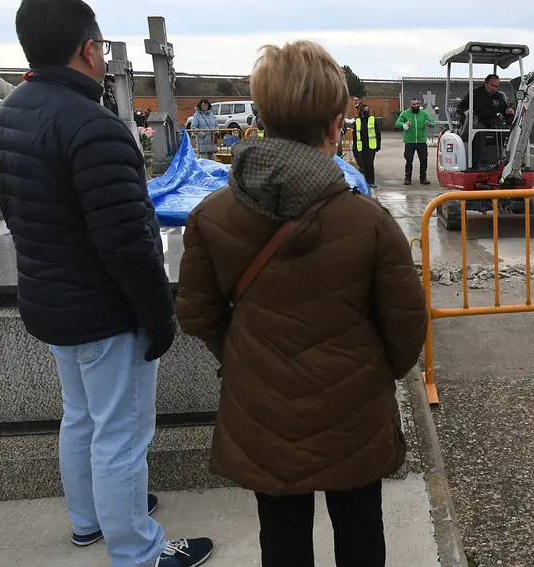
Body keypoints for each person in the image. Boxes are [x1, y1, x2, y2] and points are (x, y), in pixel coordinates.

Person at [174, 40, 428, 567]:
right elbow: (406, 330)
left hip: (262, 411)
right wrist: (369, 371)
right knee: (361, 530)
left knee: (281, 537)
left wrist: (245, 357)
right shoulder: (371, 223)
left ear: (262, 117)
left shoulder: (211, 216)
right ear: (337, 125)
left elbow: (196, 312)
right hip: (354, 414)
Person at [0, 1, 214, 566]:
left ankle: (92, 519)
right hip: (105, 312)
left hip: (49, 300)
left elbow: (18, 216)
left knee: (81, 418)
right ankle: (138, 551)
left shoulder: (6, 116)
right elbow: (128, 242)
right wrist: (158, 315)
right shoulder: (96, 127)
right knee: (121, 435)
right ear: (91, 50)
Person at [394, 97, 435, 185]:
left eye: (417, 104)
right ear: (410, 105)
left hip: (421, 141)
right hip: (409, 142)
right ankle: (408, 178)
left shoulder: (424, 113)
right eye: (414, 104)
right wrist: (405, 125)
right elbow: (397, 123)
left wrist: (429, 124)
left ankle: (423, 178)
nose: (416, 106)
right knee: (409, 160)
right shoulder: (405, 113)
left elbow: (433, 123)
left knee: (424, 160)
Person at [352, 102, 381, 188]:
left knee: (369, 164)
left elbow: (377, 133)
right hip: (360, 146)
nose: (366, 111)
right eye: (364, 110)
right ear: (360, 111)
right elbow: (355, 135)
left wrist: (378, 145)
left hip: (371, 146)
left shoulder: (372, 119)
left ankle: (371, 182)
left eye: (367, 110)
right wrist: (355, 147)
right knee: (362, 165)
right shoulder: (357, 121)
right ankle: (364, 182)